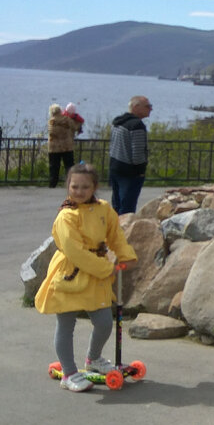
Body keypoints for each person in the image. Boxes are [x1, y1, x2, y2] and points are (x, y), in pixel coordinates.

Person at [34, 163, 137, 391]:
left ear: (94, 187)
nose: (78, 191)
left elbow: (115, 235)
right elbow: (74, 251)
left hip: (95, 275)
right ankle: (69, 373)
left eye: (84, 187)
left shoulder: (103, 209)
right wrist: (105, 268)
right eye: (74, 186)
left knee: (103, 323)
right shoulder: (66, 216)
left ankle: (93, 359)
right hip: (71, 272)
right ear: (68, 187)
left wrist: (125, 255)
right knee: (66, 323)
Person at [109, 95, 151, 214]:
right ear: (136, 107)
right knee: (127, 207)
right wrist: (141, 171)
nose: (150, 109)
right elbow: (137, 153)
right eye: (147, 106)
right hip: (130, 172)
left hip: (115, 166)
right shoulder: (136, 125)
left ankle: (114, 229)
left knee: (116, 204)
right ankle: (124, 231)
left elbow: (112, 145)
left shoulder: (118, 122)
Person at [46, 103, 82, 188]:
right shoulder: (67, 120)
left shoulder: (51, 121)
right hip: (67, 146)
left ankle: (53, 183)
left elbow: (51, 132)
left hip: (54, 148)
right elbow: (75, 127)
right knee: (69, 166)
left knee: (54, 166)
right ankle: (70, 183)